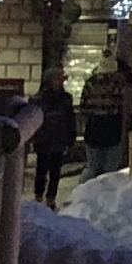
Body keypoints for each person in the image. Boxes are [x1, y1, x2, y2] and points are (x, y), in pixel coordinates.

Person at [29, 77, 80, 210]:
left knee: (55, 171)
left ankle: (51, 198)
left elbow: (70, 118)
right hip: (44, 139)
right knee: (42, 169)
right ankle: (38, 196)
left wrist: (71, 136)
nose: (59, 83)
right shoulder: (38, 99)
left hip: (58, 138)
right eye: (56, 79)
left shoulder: (65, 98)